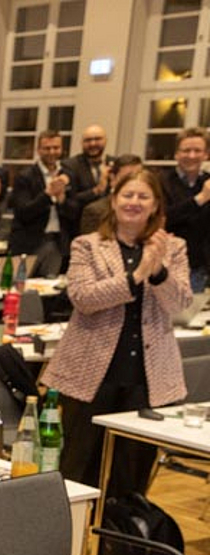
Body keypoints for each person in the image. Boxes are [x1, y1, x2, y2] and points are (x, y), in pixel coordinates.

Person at [43, 169, 190, 497]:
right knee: (78, 470)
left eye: (143, 197)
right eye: (127, 195)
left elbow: (180, 303)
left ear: (155, 205)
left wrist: (159, 272)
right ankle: (72, 541)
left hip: (147, 379)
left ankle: (119, 544)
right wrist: (136, 274)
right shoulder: (88, 246)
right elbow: (83, 298)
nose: (134, 203)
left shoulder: (173, 247)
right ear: (114, 200)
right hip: (90, 375)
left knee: (131, 479)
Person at [10, 130, 73, 277]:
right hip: (28, 242)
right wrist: (47, 194)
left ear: (62, 149)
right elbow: (23, 212)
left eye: (56, 148)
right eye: (47, 148)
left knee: (49, 290)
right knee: (18, 288)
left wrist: (62, 199)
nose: (52, 152)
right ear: (38, 150)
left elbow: (74, 210)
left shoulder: (68, 175)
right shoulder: (24, 176)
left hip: (57, 242)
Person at [161, 127, 210, 292]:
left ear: (206, 155)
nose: (192, 156)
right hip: (167, 265)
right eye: (186, 150)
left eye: (198, 150)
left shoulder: (208, 182)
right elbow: (162, 218)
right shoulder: (161, 181)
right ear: (176, 154)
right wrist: (199, 199)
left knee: (193, 317)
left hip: (200, 268)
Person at [81, 154, 142, 235]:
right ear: (113, 179)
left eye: (139, 177)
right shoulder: (95, 211)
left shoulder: (146, 209)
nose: (134, 183)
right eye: (127, 178)